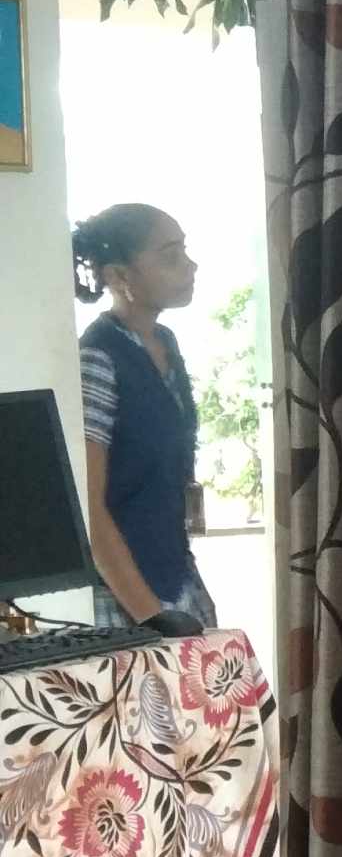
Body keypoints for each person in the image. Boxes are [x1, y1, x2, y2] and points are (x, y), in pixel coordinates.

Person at [71, 203, 214, 636]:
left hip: (174, 571)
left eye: (184, 250)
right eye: (170, 256)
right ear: (119, 276)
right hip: (127, 599)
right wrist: (152, 616)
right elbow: (89, 509)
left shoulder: (164, 343)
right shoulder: (98, 358)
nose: (190, 265)